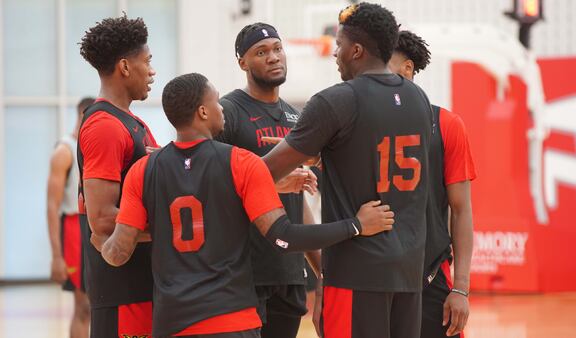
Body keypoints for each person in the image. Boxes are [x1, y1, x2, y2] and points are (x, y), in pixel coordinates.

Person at [93, 72, 395, 337]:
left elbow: (118, 253)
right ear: (202, 112)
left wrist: (100, 242)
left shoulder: (144, 170)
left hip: (172, 321)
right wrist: (355, 225)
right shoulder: (240, 163)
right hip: (231, 318)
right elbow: (283, 236)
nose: (221, 106)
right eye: (215, 102)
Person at [263, 3, 434, 338]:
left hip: (357, 272)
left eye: (339, 46)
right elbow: (381, 159)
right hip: (409, 269)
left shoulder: (335, 101)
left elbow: (263, 172)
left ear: (356, 50)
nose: (335, 54)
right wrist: (328, 157)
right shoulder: (419, 99)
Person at [215, 22, 320, 338]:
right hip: (244, 272)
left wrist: (321, 266)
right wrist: (270, 184)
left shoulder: (296, 118)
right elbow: (213, 184)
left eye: (277, 49)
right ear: (243, 63)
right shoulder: (228, 112)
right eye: (261, 52)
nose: (273, 57)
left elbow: (297, 201)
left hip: (288, 272)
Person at [389, 29, 477, 338]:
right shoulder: (358, 123)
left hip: (431, 278)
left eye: (384, 62)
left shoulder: (446, 125)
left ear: (407, 68)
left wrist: (462, 289)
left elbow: (462, 210)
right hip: (376, 281)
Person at [77, 14, 159, 338]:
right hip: (122, 292)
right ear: (125, 67)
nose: (152, 71)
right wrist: (174, 225)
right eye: (147, 62)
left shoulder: (130, 123)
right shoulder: (105, 126)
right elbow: (101, 220)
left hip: (143, 285)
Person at [47, 97, 95, 338]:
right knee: (83, 307)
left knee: (99, 307)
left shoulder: (95, 146)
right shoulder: (64, 151)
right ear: (82, 115)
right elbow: (51, 206)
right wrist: (56, 256)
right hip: (75, 228)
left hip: (96, 226)